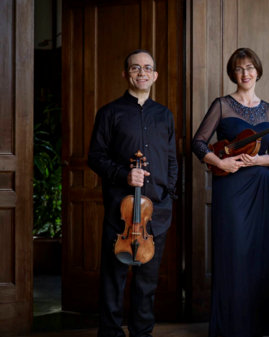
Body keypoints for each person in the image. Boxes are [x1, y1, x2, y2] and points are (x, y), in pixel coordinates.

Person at [191, 48, 269, 337]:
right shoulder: (222, 105)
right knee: (233, 250)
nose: (245, 73)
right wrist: (220, 161)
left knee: (259, 252)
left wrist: (258, 160)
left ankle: (259, 324)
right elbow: (198, 143)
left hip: (259, 187)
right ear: (233, 73)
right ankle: (230, 325)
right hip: (230, 186)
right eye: (239, 68)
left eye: (250, 67)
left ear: (258, 71)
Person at [88, 49, 178, 337]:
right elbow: (95, 157)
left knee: (147, 280)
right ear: (125, 74)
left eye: (148, 68)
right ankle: (111, 333)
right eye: (136, 68)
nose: (142, 72)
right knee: (114, 278)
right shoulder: (109, 112)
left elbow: (172, 160)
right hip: (122, 211)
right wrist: (123, 174)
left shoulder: (165, 115)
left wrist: (168, 194)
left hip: (157, 211)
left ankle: (142, 333)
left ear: (155, 75)